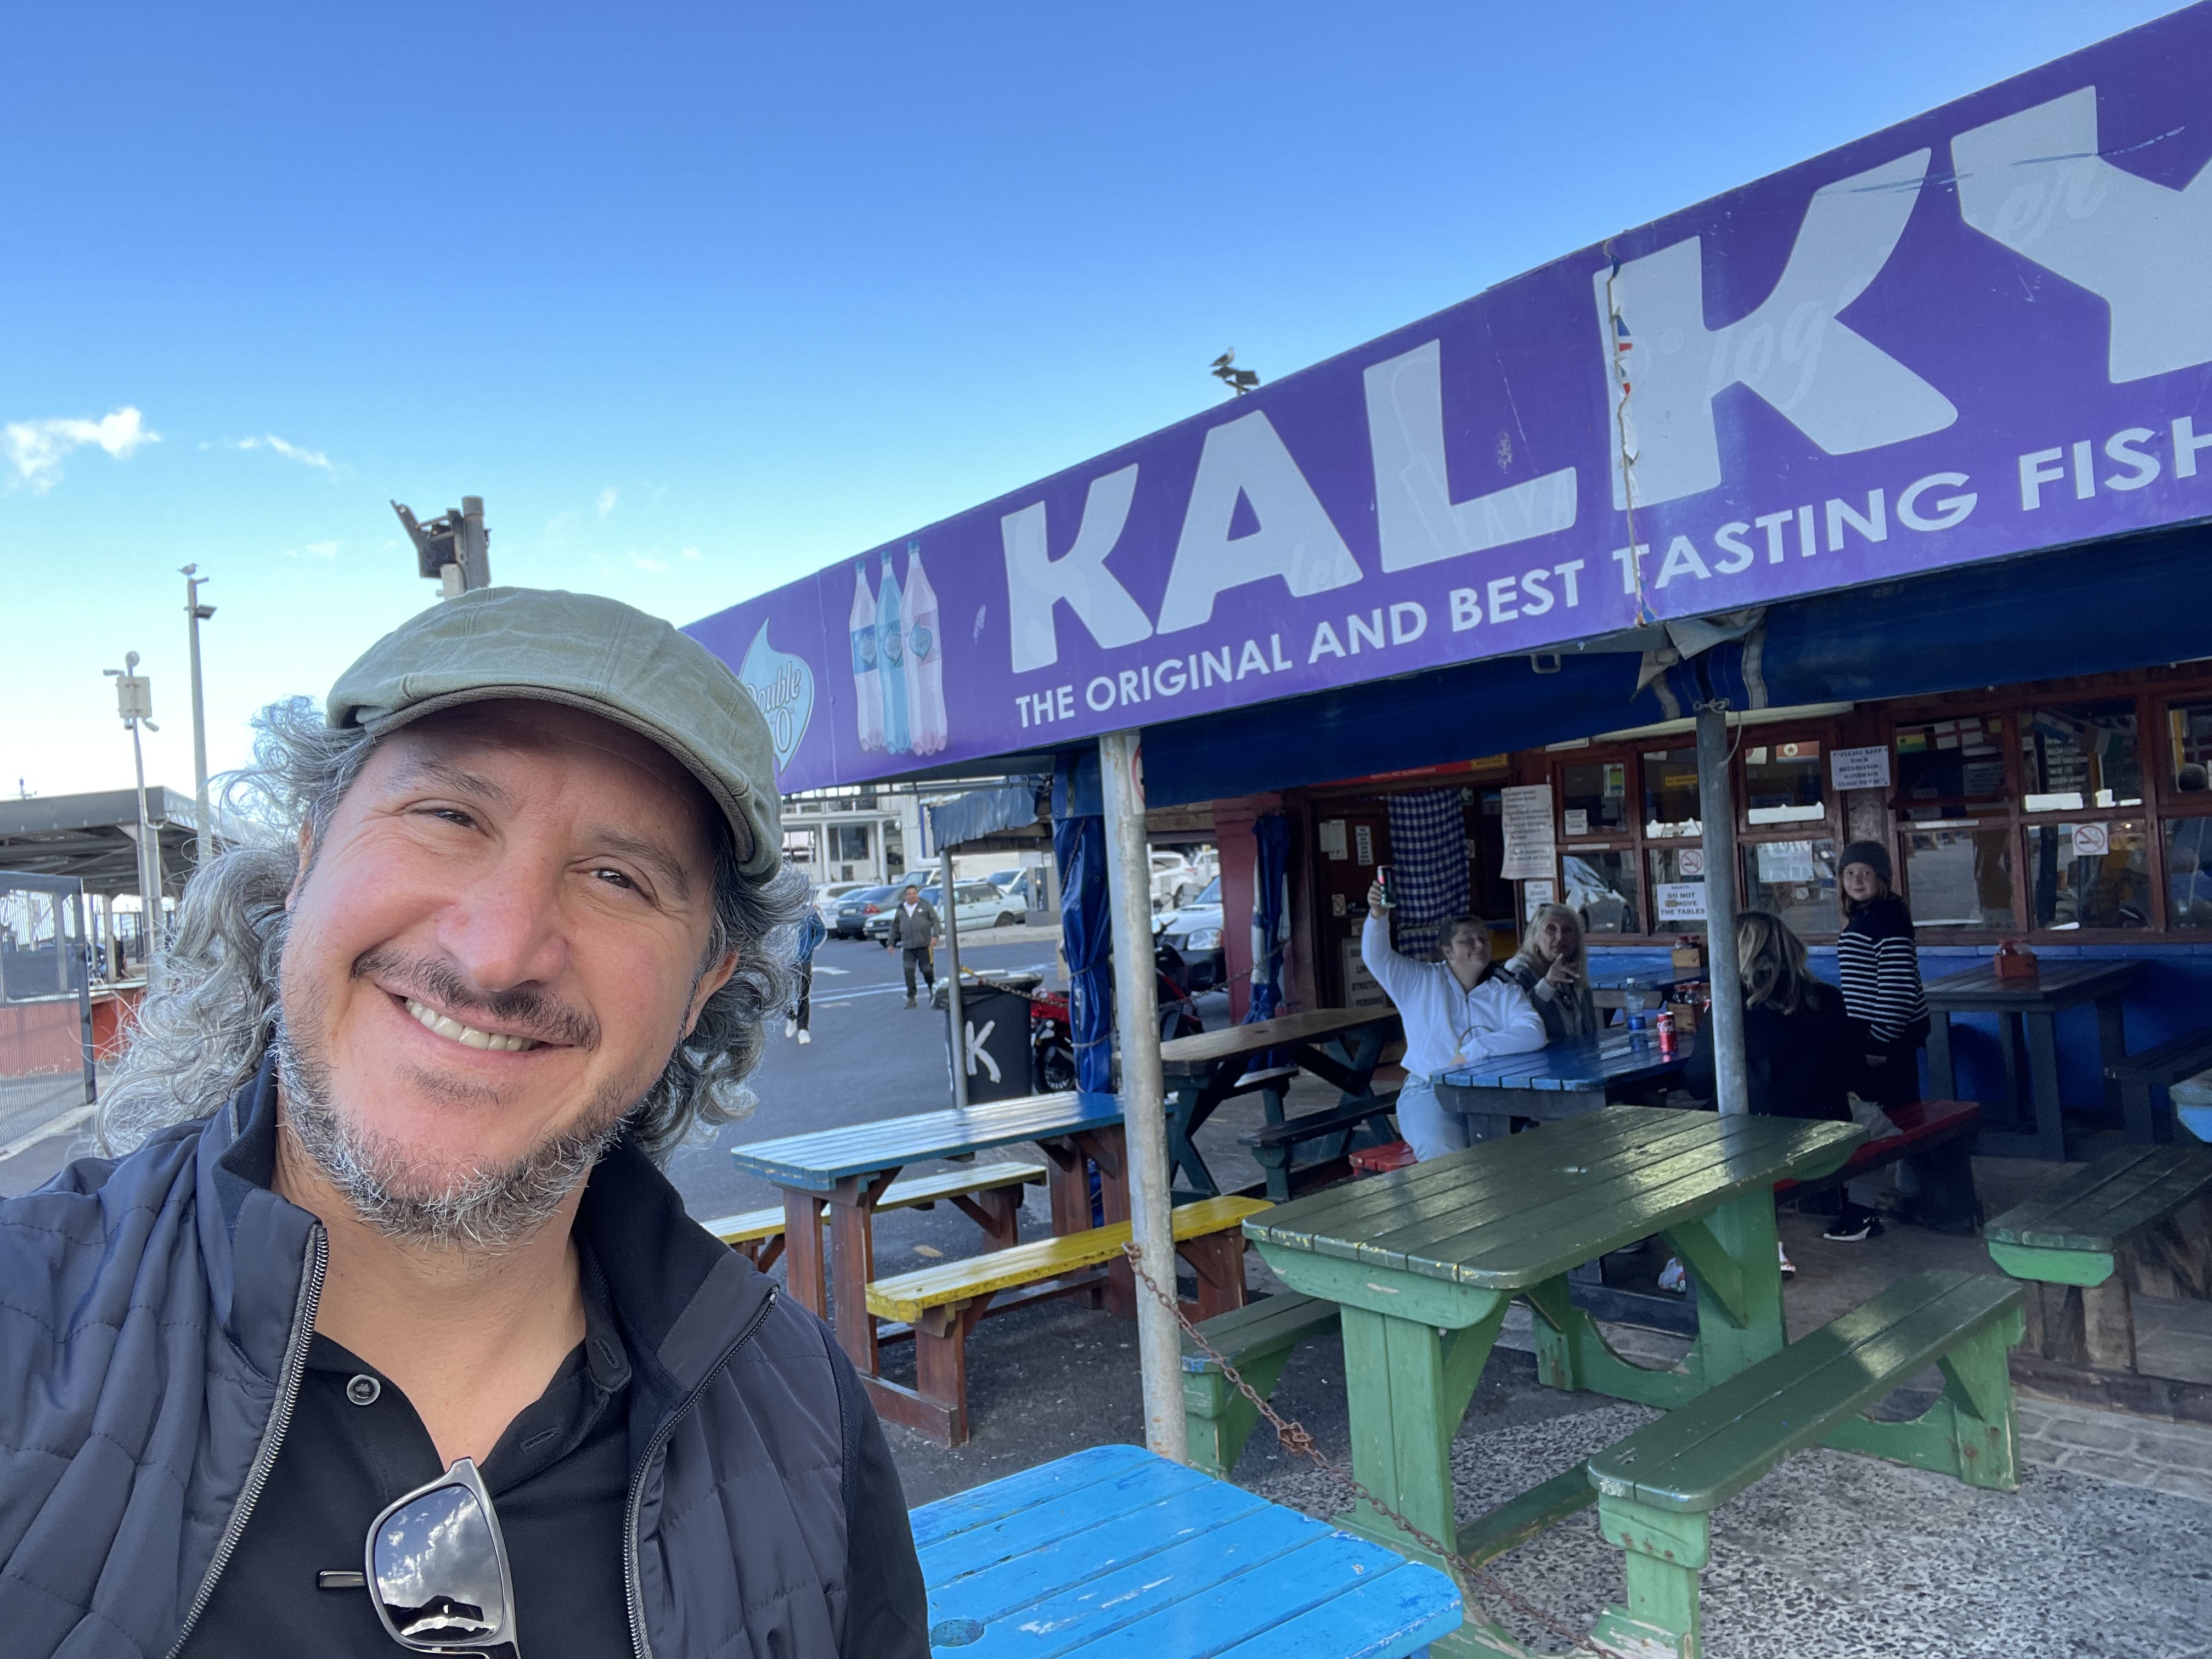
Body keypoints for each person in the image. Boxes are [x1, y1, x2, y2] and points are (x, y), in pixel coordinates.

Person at [0, 589, 928, 1657]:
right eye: (449, 817)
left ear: (703, 986)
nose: (497, 953)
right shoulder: (22, 1328)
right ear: (308, 859)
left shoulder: (805, 1416)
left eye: (617, 877)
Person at [1678, 909, 1879, 1273]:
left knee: (1682, 1141)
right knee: (1878, 1119)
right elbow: (1854, 1073)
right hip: (1828, 1127)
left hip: (1762, 1139)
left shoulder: (1730, 1007)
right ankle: (1860, 1209)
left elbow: (1697, 1082)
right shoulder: (1828, 998)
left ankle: (1721, 1249)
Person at [1361, 881, 1545, 1160]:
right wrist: (1378, 915)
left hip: (1492, 1093)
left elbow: (1534, 1032)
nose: (1479, 945)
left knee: (1526, 1149)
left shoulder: (1503, 989)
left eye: (1483, 938)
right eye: (1467, 940)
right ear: (1447, 951)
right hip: (1430, 1090)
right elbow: (1377, 958)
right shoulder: (1419, 980)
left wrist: (1474, 1051)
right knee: (1444, 1152)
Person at [1834, 839, 1928, 1241]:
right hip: (1878, 1037)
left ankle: (1866, 1210)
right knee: (1894, 1115)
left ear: (1883, 878)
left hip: (1885, 1041)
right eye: (1849, 873)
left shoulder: (1886, 921)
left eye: (1866, 873)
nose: (1857, 880)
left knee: (1881, 1121)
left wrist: (1879, 1044)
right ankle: (1909, 1194)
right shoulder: (1870, 917)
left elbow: (1897, 988)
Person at [1494, 902, 1599, 1044]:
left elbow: (1590, 1033)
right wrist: (1548, 984)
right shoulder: (1517, 971)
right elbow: (1513, 1022)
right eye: (1551, 929)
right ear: (1535, 935)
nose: (1560, 937)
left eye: (1568, 930)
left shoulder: (1573, 971)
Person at [888, 882, 941, 1006]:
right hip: (908, 947)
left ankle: (933, 992)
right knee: (909, 972)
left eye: (914, 893)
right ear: (905, 896)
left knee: (927, 971)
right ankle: (912, 998)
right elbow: (895, 926)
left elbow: (936, 921)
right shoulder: (901, 908)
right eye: (909, 894)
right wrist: (891, 943)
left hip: (924, 945)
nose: (912, 896)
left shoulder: (925, 905)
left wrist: (935, 936)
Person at [789, 900, 828, 1044]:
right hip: (784, 961)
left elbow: (821, 932)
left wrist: (809, 947)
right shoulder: (780, 910)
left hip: (804, 961)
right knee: (781, 995)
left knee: (803, 995)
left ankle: (803, 1029)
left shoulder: (809, 912)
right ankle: (790, 1016)